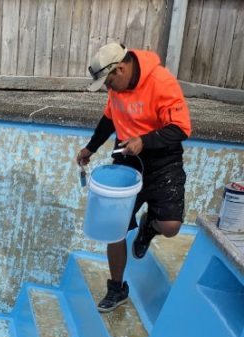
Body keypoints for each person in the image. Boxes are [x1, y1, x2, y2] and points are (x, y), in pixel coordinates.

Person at [76, 42, 191, 313]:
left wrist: (146, 141)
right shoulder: (118, 88)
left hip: (163, 161)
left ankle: (150, 224)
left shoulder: (161, 82)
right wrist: (90, 148)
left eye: (108, 81)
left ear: (121, 68)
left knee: (171, 226)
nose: (108, 88)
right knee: (114, 229)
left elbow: (181, 128)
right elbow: (108, 120)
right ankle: (116, 289)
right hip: (127, 160)